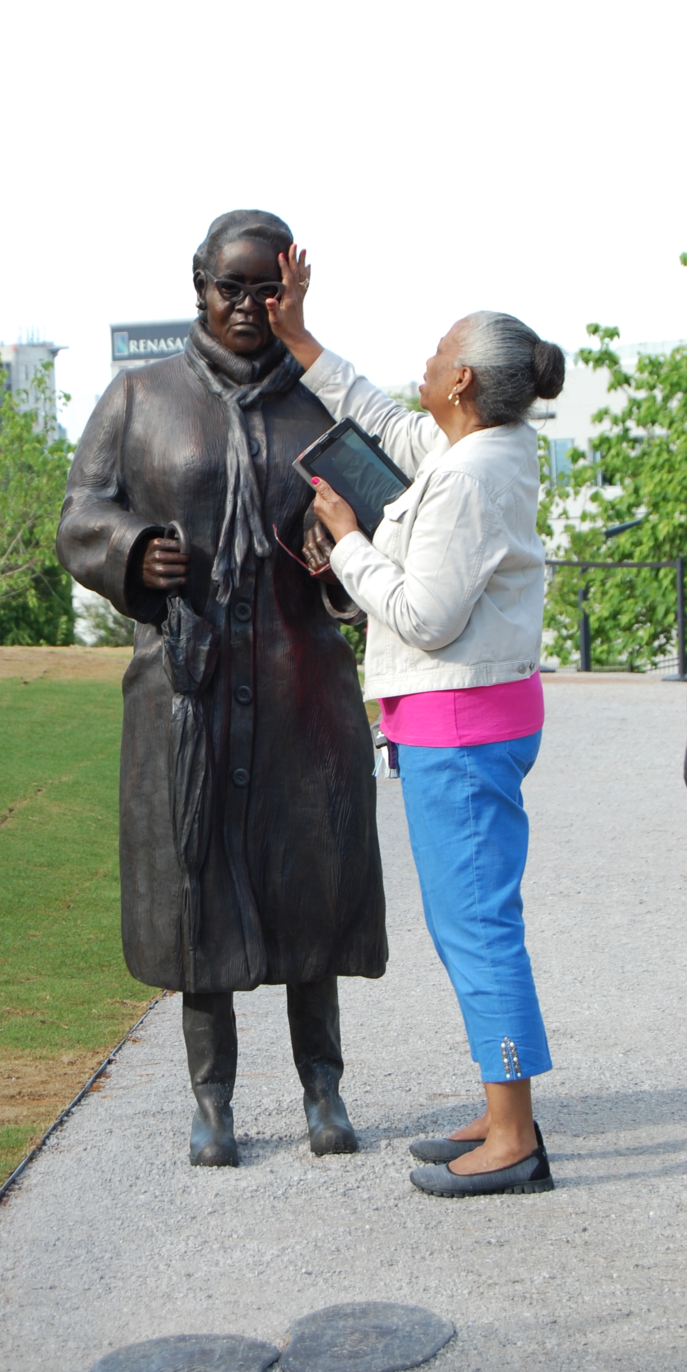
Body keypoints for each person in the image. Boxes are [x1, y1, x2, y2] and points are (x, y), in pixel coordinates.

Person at [56, 211, 386, 1168]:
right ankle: (213, 1101)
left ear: (291, 293)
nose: (248, 306)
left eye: (267, 289)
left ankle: (324, 1089)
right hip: (188, 689)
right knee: (196, 889)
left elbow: (365, 533)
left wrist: (338, 559)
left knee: (309, 888)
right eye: (230, 288)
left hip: (300, 693)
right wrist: (130, 550)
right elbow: (82, 514)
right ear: (197, 285)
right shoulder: (141, 397)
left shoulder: (318, 407)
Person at [268, 245, 563, 1198]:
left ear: (465, 381)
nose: (424, 365)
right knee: (471, 921)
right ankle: (501, 1106)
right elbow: (388, 421)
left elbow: (427, 616)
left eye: (437, 354)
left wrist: (350, 546)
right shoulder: (481, 448)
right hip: (469, 718)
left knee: (475, 926)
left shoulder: (472, 477)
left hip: (461, 725)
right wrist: (303, 339)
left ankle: (514, 1140)